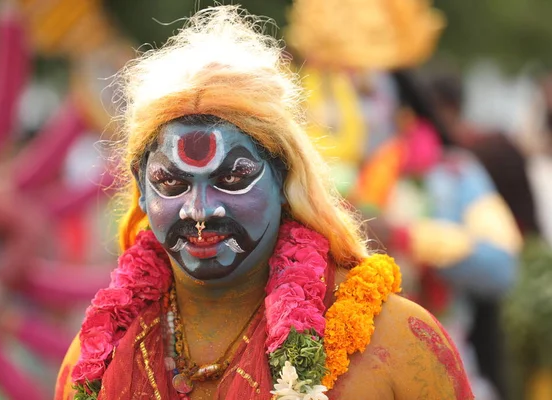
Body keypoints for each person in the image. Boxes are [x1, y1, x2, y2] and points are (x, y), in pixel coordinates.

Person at [54, 6, 473, 400]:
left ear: (285, 177)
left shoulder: (398, 343)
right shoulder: (94, 359)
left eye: (232, 178)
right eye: (171, 182)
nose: (200, 211)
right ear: (141, 191)